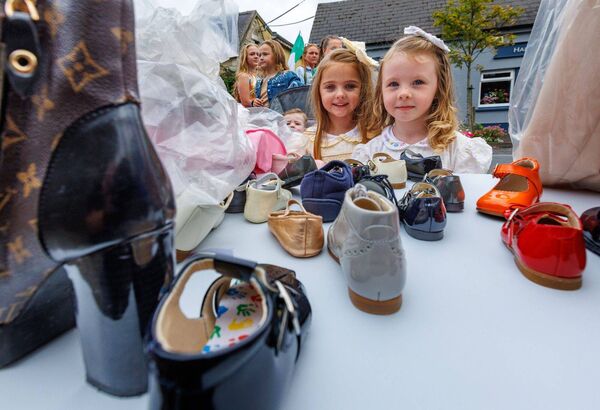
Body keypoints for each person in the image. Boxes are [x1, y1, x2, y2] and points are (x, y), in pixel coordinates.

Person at [352, 26, 492, 173]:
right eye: (393, 84)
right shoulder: (370, 152)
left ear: (439, 88)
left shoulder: (459, 150)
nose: (404, 93)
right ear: (381, 91)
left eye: (418, 82)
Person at [304, 48, 374, 162]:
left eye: (350, 86)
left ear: (363, 89)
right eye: (330, 87)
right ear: (319, 91)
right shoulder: (306, 141)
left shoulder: (376, 134)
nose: (340, 94)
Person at [253, 40, 302, 108]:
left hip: (282, 117)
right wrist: (255, 102)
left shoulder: (288, 75)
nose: (261, 58)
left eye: (265, 54)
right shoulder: (259, 82)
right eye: (259, 55)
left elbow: (299, 96)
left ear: (277, 56)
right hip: (263, 116)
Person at [233, 43, 260, 107]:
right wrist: (253, 102)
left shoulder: (261, 75)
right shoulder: (243, 76)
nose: (256, 56)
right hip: (250, 113)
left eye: (258, 54)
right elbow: (245, 102)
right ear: (245, 57)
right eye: (252, 54)